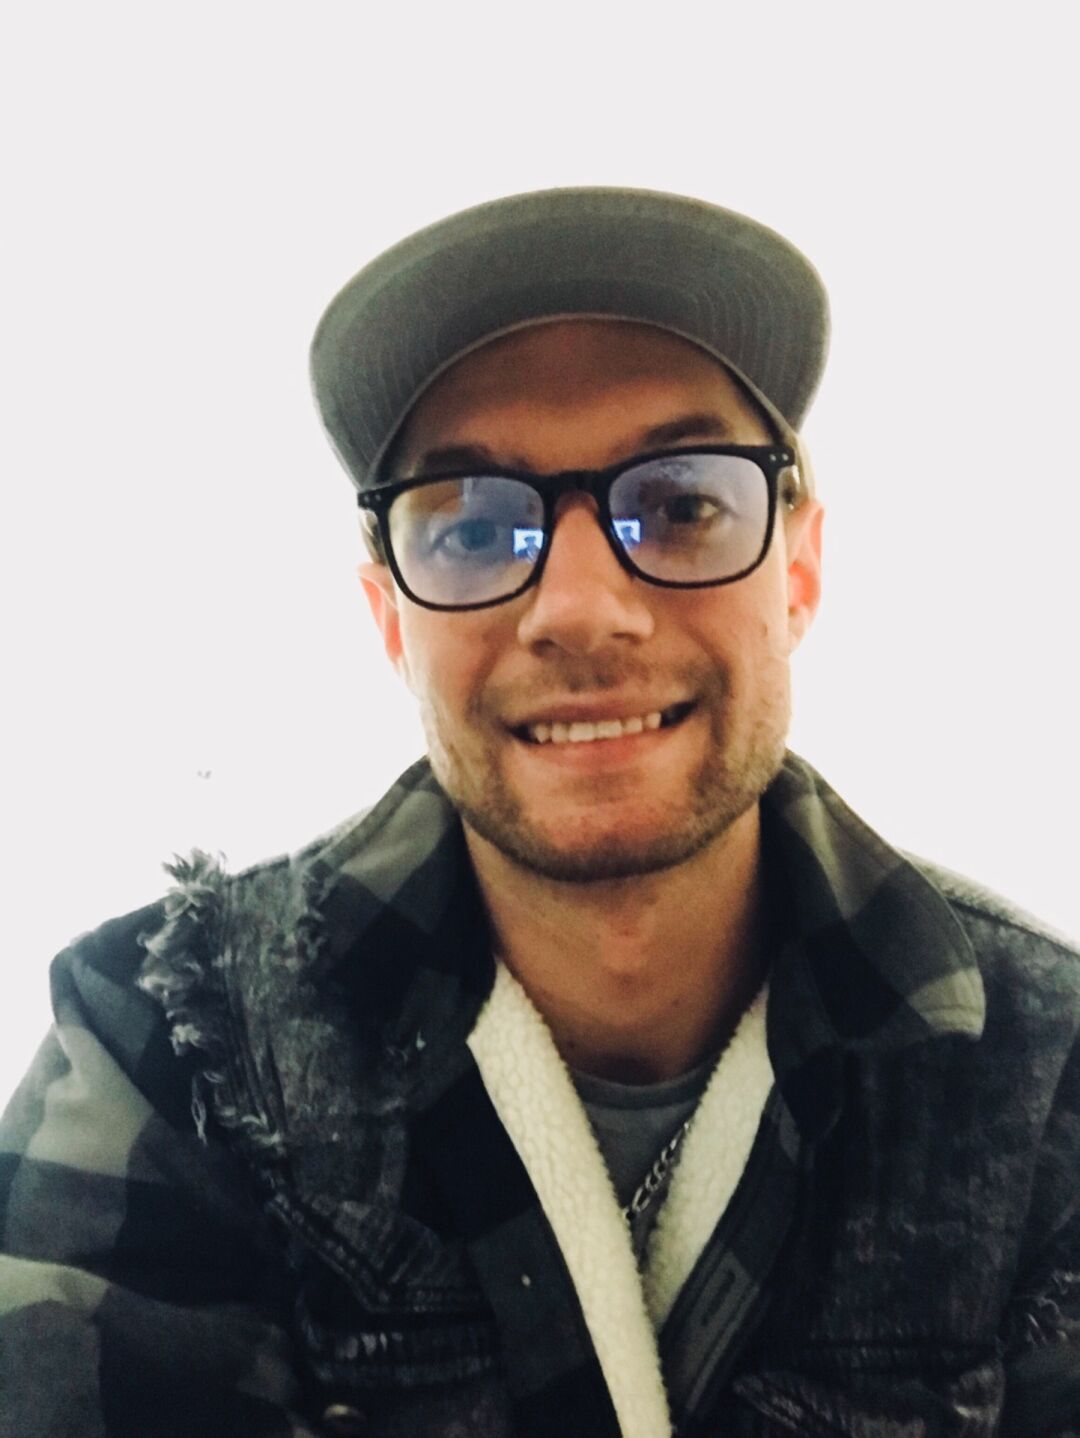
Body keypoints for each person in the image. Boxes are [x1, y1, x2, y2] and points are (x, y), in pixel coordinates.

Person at [1, 188, 1078, 1438]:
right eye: (473, 526)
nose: (579, 609)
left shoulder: (1042, 1072)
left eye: (681, 505)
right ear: (391, 619)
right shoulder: (165, 1051)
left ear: (799, 571)